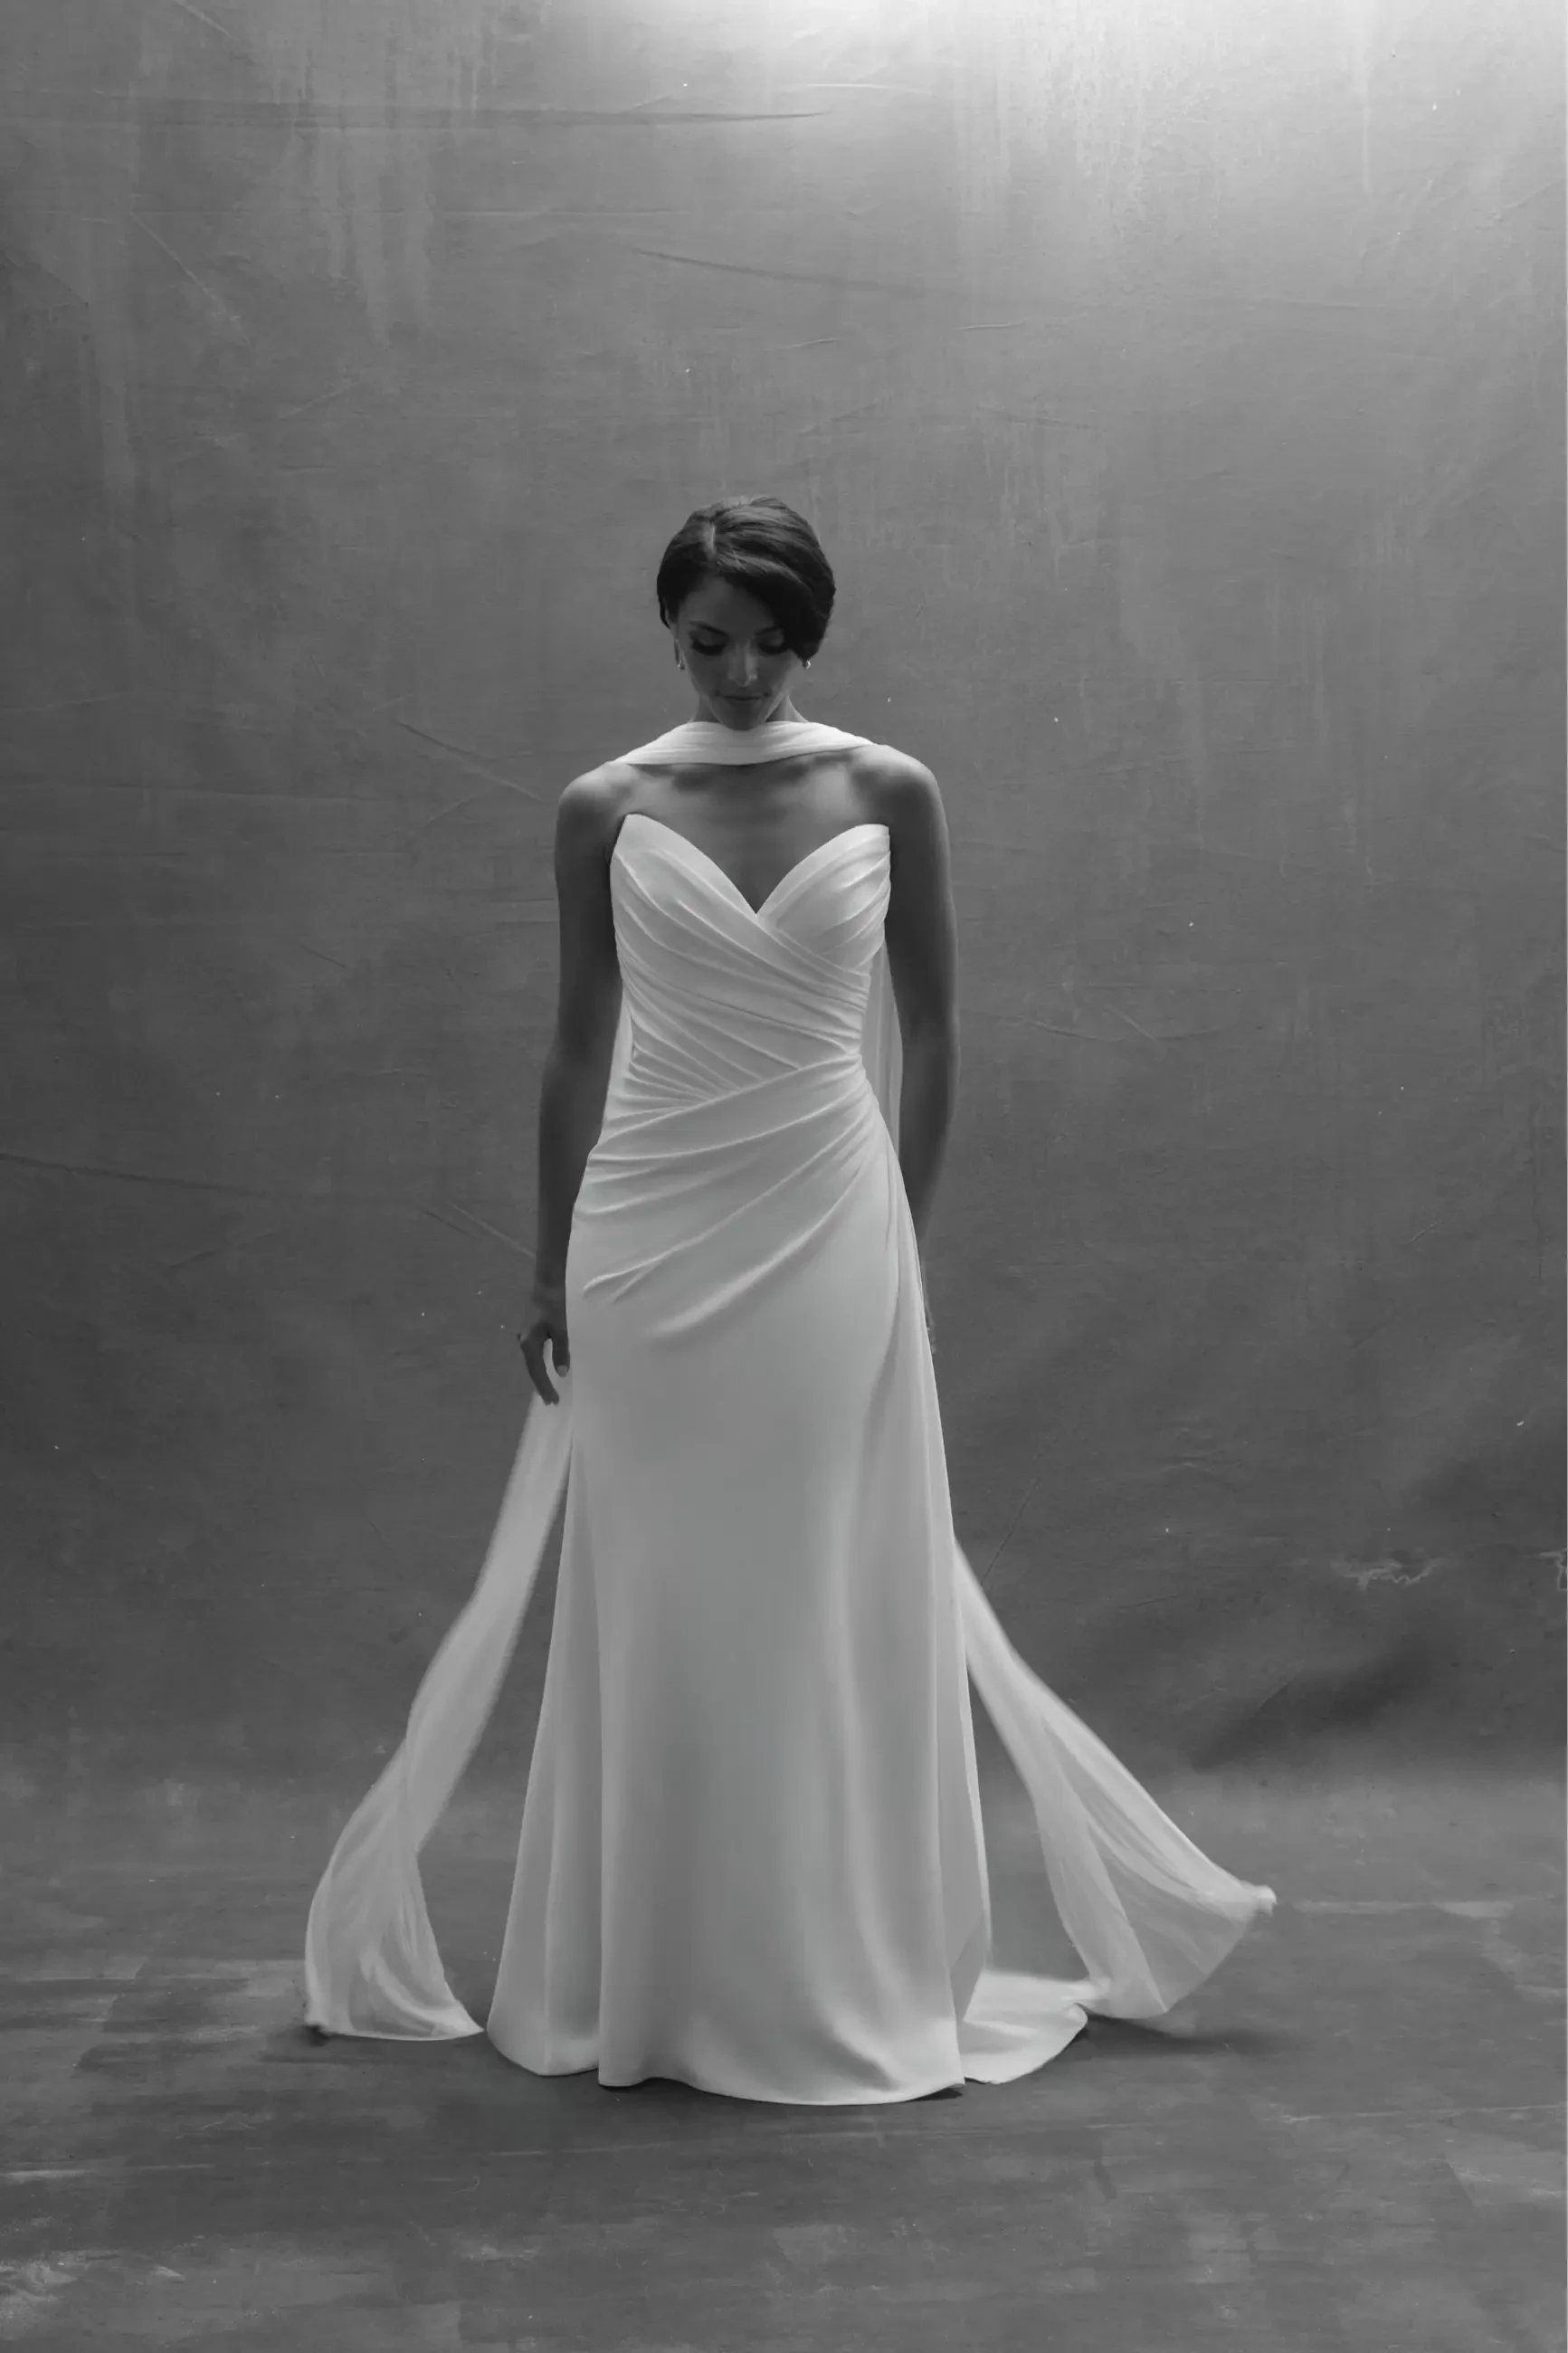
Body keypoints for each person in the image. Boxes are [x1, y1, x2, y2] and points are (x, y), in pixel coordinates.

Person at [303, 496, 1275, 2105]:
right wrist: (543, 1263)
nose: (744, 674)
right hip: (645, 1238)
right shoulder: (605, 807)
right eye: (712, 642)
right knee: (665, 1593)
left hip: (830, 1225)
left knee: (819, 1577)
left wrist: (903, 1229)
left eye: (773, 643)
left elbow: (938, 1032)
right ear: (669, 631)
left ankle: (823, 1966)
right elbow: (573, 1047)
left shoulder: (889, 789)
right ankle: (664, 1977)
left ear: (809, 637)